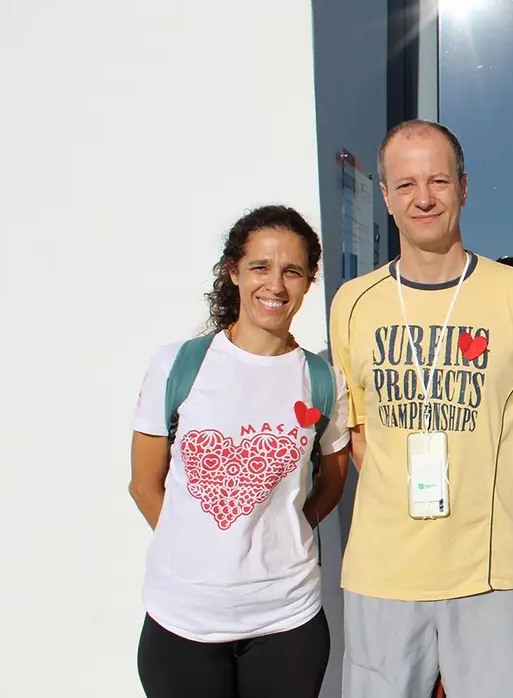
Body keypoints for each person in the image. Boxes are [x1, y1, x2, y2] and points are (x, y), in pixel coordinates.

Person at [328, 119, 513, 698]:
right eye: (405, 185)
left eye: (438, 180)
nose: (424, 198)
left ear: (463, 185)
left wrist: (484, 497)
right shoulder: (352, 304)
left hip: (491, 569)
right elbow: (357, 432)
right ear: (384, 195)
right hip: (383, 569)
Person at [128, 204, 352, 698]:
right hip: (182, 621)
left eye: (292, 270)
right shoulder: (177, 365)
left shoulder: (322, 381)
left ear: (309, 281)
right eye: (259, 267)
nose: (275, 284)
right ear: (233, 272)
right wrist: (200, 551)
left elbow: (332, 481)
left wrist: (283, 536)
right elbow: (143, 485)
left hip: (287, 620)